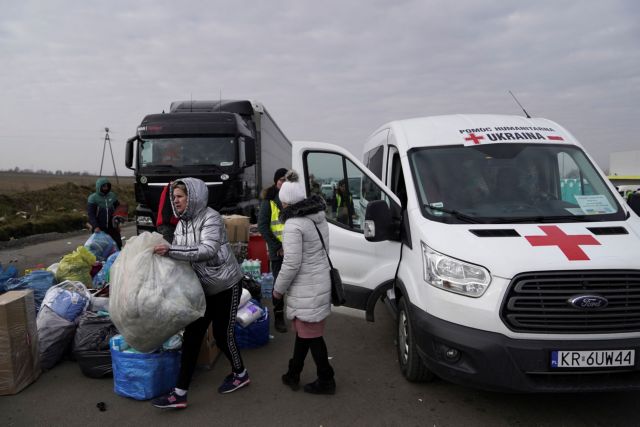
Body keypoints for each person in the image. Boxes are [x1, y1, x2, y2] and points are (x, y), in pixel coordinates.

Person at [151, 178, 250, 409]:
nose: (175, 201)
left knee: (223, 335)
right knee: (193, 337)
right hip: (201, 290)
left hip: (225, 285)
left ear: (192, 197)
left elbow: (208, 249)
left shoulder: (211, 217)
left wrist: (171, 250)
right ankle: (180, 393)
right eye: (173, 198)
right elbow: (179, 257)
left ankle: (240, 373)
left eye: (179, 197)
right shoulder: (180, 224)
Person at [273, 170, 336, 395]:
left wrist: (278, 290)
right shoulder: (317, 218)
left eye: (281, 202)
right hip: (318, 282)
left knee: (312, 335)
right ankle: (293, 373)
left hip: (306, 287)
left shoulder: (293, 224)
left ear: (286, 202)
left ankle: (326, 378)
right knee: (306, 331)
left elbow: (291, 264)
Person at [257, 167, 288, 333]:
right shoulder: (269, 201)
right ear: (276, 181)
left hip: (293, 250)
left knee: (296, 283)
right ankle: (279, 317)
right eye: (281, 179)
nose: (284, 183)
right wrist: (277, 247)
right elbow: (263, 226)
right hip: (278, 252)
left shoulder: (293, 199)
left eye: (287, 180)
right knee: (279, 285)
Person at [87, 177, 122, 250]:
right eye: (103, 186)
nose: (106, 188)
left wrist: (118, 224)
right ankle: (103, 261)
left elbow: (119, 210)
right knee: (101, 248)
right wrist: (95, 226)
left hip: (112, 227)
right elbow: (91, 214)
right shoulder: (93, 198)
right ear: (99, 187)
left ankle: (118, 259)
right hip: (99, 228)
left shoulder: (112, 196)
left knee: (117, 244)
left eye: (107, 186)